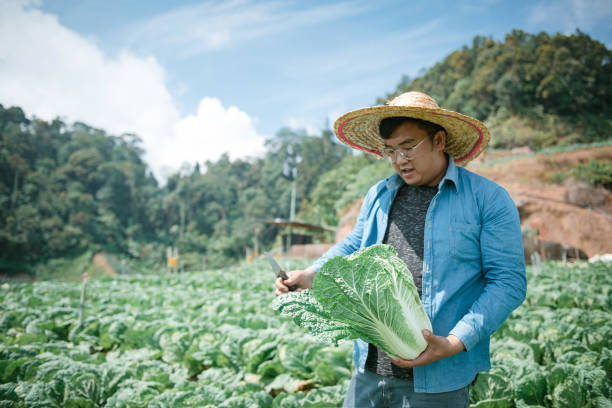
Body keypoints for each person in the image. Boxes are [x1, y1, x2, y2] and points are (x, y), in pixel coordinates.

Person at [274, 91, 526, 407]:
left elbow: (508, 282)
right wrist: (310, 274)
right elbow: (355, 245)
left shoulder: (487, 199)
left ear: (439, 141)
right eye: (390, 151)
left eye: (408, 148)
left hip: (438, 380)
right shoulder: (379, 194)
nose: (399, 160)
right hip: (369, 372)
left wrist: (453, 342)